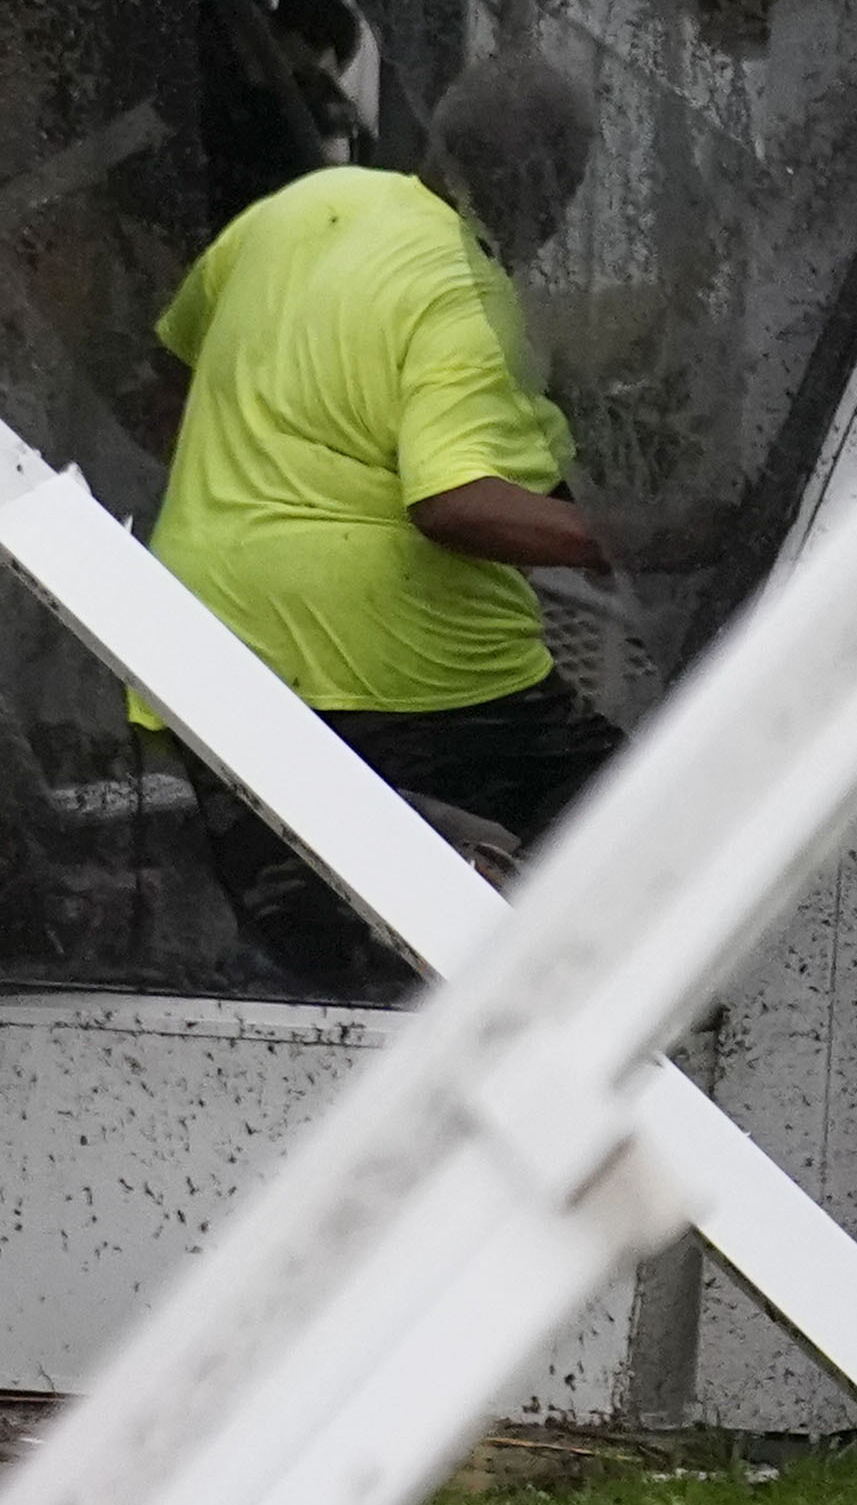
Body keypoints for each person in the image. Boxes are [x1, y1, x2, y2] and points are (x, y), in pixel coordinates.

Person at [135, 50, 630, 994]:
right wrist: (627, 545)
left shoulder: (304, 208)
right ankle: (572, 1032)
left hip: (202, 632)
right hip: (384, 658)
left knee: (308, 910)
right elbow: (454, 501)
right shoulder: (468, 290)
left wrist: (257, 492)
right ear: (551, 190)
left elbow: (170, 376)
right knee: (638, 818)